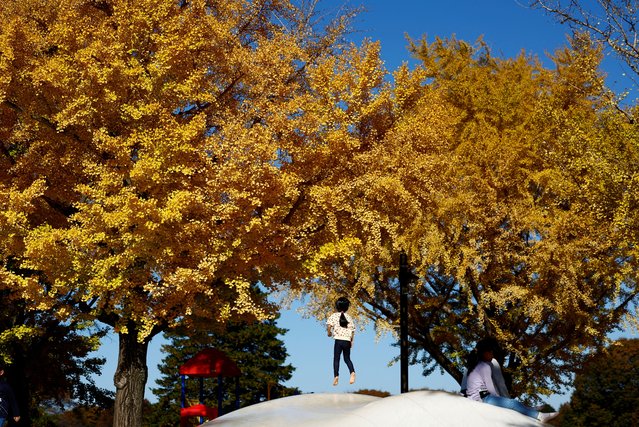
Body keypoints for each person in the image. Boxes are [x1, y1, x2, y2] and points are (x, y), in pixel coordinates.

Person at [465, 339, 558, 423]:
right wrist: (500, 400)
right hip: (483, 398)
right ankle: (540, 416)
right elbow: (490, 387)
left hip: (476, 396)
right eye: (491, 352)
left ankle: (530, 409)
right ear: (484, 353)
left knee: (512, 402)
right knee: (512, 403)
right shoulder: (485, 366)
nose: (492, 355)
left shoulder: (476, 365)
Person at [326, 296, 356, 386]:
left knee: (336, 359)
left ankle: (336, 376)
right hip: (347, 341)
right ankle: (352, 372)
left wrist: (329, 333)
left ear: (337, 306)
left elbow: (329, 326)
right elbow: (353, 331)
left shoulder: (334, 316)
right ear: (347, 307)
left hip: (338, 341)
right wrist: (351, 341)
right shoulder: (349, 317)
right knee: (347, 358)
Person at [0, 362, 20, 427]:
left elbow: (12, 400)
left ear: (1, 372)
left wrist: (16, 413)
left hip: (1, 414)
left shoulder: (6, 386)